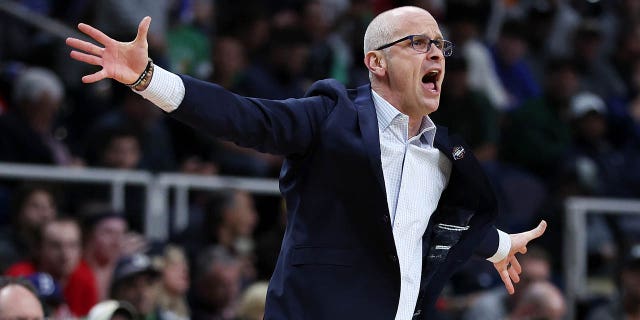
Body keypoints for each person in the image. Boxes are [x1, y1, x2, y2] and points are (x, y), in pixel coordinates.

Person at [66, 6, 547, 319]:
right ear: (376, 62)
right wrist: (148, 78)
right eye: (419, 43)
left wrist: (500, 245)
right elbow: (244, 118)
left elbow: (437, 224)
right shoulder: (331, 115)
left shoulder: (442, 156)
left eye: (440, 45)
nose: (436, 54)